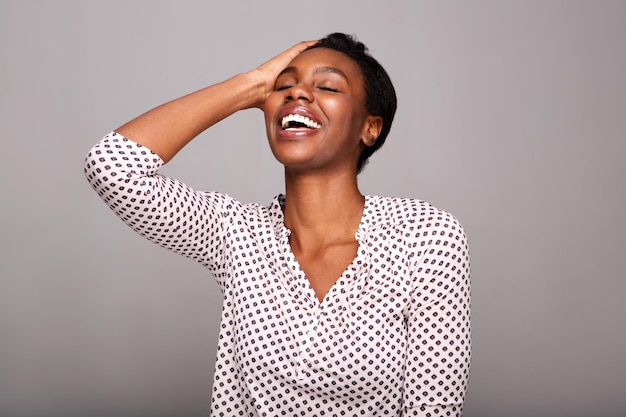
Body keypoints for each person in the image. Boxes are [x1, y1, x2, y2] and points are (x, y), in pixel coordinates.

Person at [85, 33, 471, 417]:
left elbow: (434, 409)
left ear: (370, 128)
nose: (297, 94)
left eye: (327, 86)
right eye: (283, 85)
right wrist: (250, 85)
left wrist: (280, 86)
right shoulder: (236, 235)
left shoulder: (425, 236)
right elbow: (112, 166)